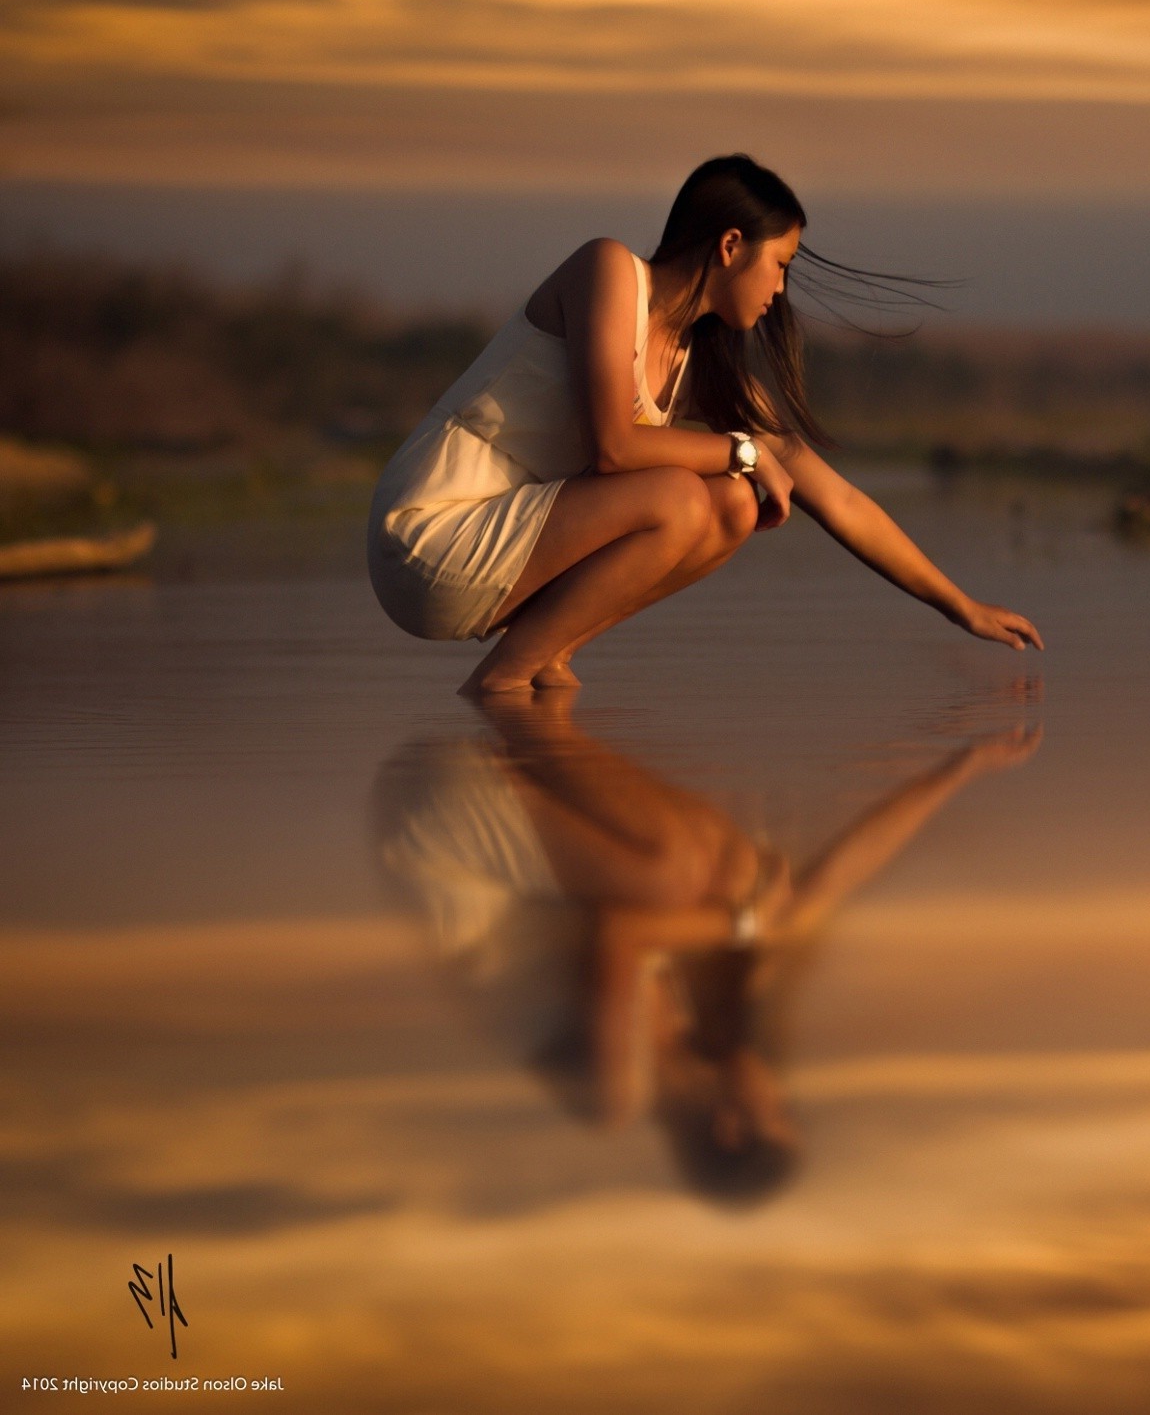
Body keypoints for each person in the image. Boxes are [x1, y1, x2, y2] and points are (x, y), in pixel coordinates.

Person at [367, 154, 1042, 693]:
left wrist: (961, 607)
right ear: (729, 245)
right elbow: (613, 448)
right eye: (780, 266)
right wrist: (741, 450)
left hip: (507, 547)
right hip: (430, 536)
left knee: (728, 507)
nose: (781, 290)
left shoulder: (703, 367)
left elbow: (836, 499)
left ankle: (549, 652)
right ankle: (501, 681)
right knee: (687, 493)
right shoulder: (609, 273)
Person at [372, 689, 1042, 1206]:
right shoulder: (698, 1026)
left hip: (438, 828)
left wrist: (748, 925)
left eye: (777, 1110)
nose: (780, 1090)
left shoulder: (617, 1095)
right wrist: (961, 768)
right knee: (738, 884)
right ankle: (528, 713)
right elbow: (823, 890)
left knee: (694, 884)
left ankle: (522, 735)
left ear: (730, 1126)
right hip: (476, 815)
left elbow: (620, 935)